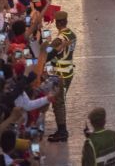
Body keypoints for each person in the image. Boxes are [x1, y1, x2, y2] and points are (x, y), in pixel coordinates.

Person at [47, 10, 77, 143]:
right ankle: (61, 129)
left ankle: (62, 131)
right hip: (68, 72)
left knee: (58, 103)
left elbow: (47, 54)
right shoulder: (72, 34)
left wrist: (48, 45)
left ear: (57, 23)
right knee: (60, 101)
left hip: (60, 74)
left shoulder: (59, 39)